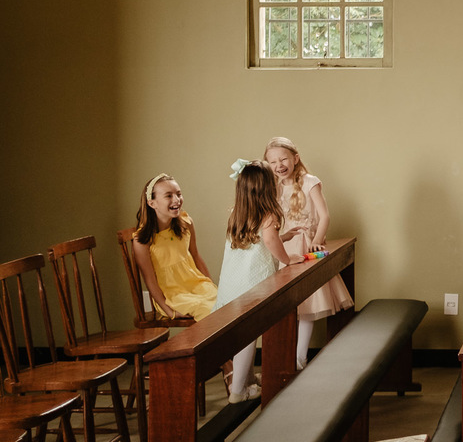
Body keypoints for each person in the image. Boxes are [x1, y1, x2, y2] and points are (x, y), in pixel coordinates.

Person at [214, 160, 303, 403]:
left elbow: (259, 240)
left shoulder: (238, 212)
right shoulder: (269, 214)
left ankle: (248, 379)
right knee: (249, 337)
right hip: (253, 285)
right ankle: (237, 391)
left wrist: (283, 236)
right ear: (267, 188)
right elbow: (270, 241)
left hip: (233, 285)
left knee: (243, 336)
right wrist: (288, 259)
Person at [265, 137, 354, 370]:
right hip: (282, 246)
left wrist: (316, 240)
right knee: (282, 307)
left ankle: (300, 358)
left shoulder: (309, 182)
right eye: (273, 162)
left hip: (304, 245)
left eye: (283, 159)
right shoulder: (272, 187)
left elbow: (324, 216)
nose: (279, 165)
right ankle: (281, 360)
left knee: (306, 304)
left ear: (295, 158)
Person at [131, 173, 218, 322]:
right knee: (209, 310)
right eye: (169, 196)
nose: (177, 200)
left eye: (178, 194)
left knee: (227, 302)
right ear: (152, 203)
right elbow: (150, 280)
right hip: (172, 296)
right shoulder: (142, 241)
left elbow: (196, 257)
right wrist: (170, 312)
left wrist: (212, 286)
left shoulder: (186, 223)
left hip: (197, 286)